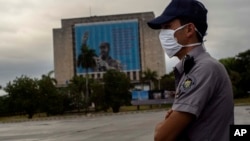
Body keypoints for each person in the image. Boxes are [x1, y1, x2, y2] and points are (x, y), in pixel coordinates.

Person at [147, 0, 234, 141]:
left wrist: (164, 125)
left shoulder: (203, 69)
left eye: (167, 27)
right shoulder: (191, 68)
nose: (163, 34)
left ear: (189, 30)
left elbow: (162, 136)